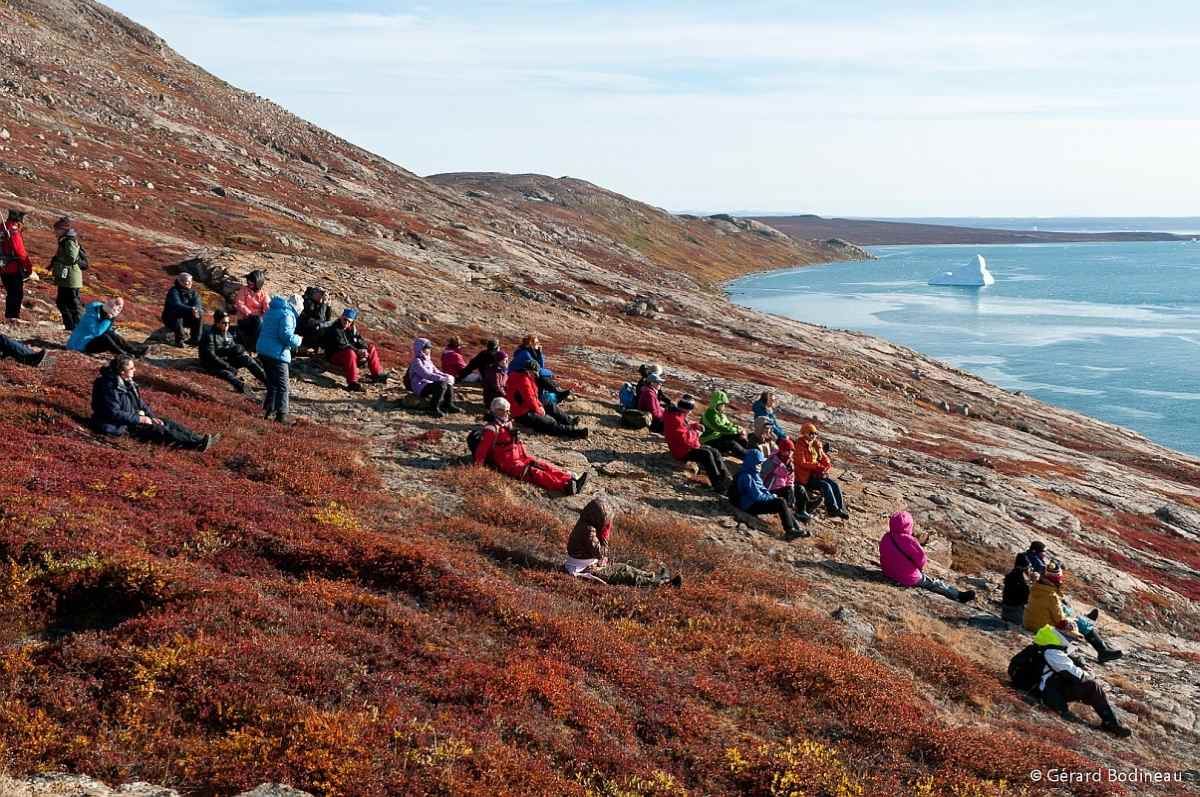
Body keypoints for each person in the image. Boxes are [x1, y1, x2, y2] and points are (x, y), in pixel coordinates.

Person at [91, 355, 219, 451]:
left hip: (132, 418)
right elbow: (113, 413)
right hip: (117, 426)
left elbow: (139, 402)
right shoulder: (108, 386)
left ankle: (199, 439)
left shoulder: (126, 382)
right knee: (159, 430)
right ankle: (196, 445)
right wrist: (140, 419)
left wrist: (152, 417)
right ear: (122, 372)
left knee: (166, 422)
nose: (135, 370)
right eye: (132, 368)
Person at [1031, 625, 1131, 737]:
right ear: (1063, 634)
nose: (1072, 640)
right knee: (1092, 687)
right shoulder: (1052, 652)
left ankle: (1111, 723)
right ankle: (1112, 724)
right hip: (1045, 691)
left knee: (1088, 686)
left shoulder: (1047, 644)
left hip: (1045, 685)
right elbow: (1075, 675)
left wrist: (1075, 660)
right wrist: (1089, 675)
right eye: (1071, 637)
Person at [474, 398, 587, 495]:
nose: (507, 414)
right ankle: (565, 486)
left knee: (543, 466)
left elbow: (516, 442)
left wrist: (524, 455)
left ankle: (569, 478)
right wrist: (478, 469)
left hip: (520, 457)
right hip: (508, 463)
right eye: (505, 411)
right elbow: (482, 450)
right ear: (496, 411)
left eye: (508, 411)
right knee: (536, 474)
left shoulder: (506, 424)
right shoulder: (492, 429)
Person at [565, 496, 680, 587]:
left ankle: (657, 577)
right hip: (585, 570)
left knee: (623, 567)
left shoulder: (586, 525)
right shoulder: (588, 530)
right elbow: (600, 553)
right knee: (626, 574)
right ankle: (662, 583)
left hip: (588, 565)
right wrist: (606, 533)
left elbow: (596, 553)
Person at [1024, 561, 1122, 664]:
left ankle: (1087, 623)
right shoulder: (1051, 595)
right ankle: (1102, 651)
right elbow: (1060, 619)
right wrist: (1072, 620)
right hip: (1042, 626)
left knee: (1069, 613)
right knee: (1078, 623)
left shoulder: (1037, 587)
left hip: (1030, 622)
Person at [879, 511, 975, 603]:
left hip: (888, 572)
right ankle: (958, 595)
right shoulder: (910, 541)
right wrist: (919, 568)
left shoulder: (886, 537)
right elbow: (922, 559)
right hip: (907, 577)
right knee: (935, 583)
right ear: (908, 526)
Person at [662, 395, 730, 492]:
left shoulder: (677, 414)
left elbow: (684, 427)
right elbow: (684, 438)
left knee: (714, 451)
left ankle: (725, 478)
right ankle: (718, 485)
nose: (690, 412)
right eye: (690, 410)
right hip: (681, 451)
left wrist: (695, 425)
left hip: (684, 447)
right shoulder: (675, 419)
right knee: (707, 454)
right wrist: (697, 433)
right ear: (686, 409)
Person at [733, 449, 806, 539]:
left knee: (781, 502)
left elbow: (763, 489)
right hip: (748, 505)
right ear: (752, 462)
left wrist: (771, 496)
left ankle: (796, 528)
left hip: (752, 502)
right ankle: (790, 530)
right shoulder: (746, 476)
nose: (760, 465)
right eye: (758, 463)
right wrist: (771, 497)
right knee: (781, 502)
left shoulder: (754, 473)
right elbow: (757, 496)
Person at [507, 358, 587, 439]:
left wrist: (540, 405)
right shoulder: (522, 379)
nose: (535, 375)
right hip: (520, 413)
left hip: (525, 407)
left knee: (549, 405)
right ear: (529, 371)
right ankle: (574, 432)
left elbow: (533, 396)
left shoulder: (526, 377)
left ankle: (569, 421)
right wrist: (539, 410)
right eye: (534, 373)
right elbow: (529, 399)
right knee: (548, 423)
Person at [256, 293, 302, 423]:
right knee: (283, 385)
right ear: (297, 307)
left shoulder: (272, 310)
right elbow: (285, 336)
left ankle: (269, 410)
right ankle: (282, 414)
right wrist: (298, 340)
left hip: (263, 350)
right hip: (277, 354)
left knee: (272, 383)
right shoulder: (288, 315)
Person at [199, 309, 267, 393]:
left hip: (225, 360)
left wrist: (240, 349)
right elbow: (211, 356)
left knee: (246, 359)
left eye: (228, 323)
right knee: (227, 373)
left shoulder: (228, 334)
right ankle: (242, 387)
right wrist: (228, 366)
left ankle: (268, 382)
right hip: (212, 364)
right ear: (217, 323)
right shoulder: (209, 335)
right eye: (224, 323)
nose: (227, 325)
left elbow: (233, 348)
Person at [321, 309, 389, 392]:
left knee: (371, 348)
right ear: (341, 317)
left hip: (350, 354)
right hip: (335, 355)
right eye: (345, 319)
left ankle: (377, 374)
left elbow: (360, 340)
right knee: (350, 353)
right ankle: (352, 382)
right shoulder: (335, 329)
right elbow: (343, 345)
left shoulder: (352, 330)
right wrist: (358, 351)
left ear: (352, 322)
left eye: (349, 321)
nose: (346, 322)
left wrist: (363, 349)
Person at [795, 422, 850, 519]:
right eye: (811, 433)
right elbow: (801, 463)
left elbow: (825, 458)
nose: (813, 436)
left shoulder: (816, 445)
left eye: (815, 433)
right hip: (806, 477)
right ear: (804, 433)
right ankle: (832, 509)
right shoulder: (800, 445)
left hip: (816, 474)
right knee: (826, 485)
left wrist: (826, 466)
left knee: (834, 484)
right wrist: (817, 466)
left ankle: (841, 509)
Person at [66, 298, 148, 357]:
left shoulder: (102, 311)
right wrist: (108, 319)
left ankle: (134, 351)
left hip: (89, 340)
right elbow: (97, 332)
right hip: (79, 345)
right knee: (106, 338)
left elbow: (106, 330)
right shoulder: (90, 315)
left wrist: (111, 318)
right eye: (110, 314)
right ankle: (123, 354)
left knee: (112, 334)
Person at [761, 438, 813, 523]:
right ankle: (790, 513)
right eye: (787, 450)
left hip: (784, 488)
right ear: (781, 450)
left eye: (791, 450)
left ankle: (801, 511)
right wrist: (762, 490)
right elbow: (762, 475)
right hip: (771, 489)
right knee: (788, 491)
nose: (790, 453)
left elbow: (791, 480)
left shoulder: (790, 463)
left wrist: (791, 488)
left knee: (800, 489)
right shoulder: (772, 461)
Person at [50, 216, 87, 331]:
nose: (55, 232)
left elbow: (71, 259)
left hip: (71, 278)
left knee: (72, 303)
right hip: (67, 278)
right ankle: (70, 326)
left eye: (56, 229)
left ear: (63, 229)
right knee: (63, 302)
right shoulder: (65, 240)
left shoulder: (69, 241)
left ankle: (78, 327)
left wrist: (59, 261)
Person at [508, 335, 571, 402]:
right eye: (536, 343)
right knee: (541, 377)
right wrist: (550, 373)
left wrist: (539, 353)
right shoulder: (525, 354)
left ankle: (555, 392)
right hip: (516, 376)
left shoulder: (532, 352)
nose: (538, 344)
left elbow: (540, 366)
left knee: (540, 377)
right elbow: (538, 369)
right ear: (530, 344)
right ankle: (556, 391)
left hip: (525, 373)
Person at [408, 337, 460, 417]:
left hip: (428, 384)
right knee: (441, 385)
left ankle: (448, 405)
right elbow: (426, 374)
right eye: (427, 348)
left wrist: (447, 376)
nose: (429, 350)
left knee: (447, 382)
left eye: (429, 348)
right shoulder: (417, 361)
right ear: (421, 348)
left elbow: (436, 371)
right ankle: (433, 409)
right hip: (419, 386)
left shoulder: (428, 360)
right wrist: (442, 379)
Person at [1, 209, 34, 320]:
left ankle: (9, 317)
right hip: (13, 269)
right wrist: (29, 268)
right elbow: (20, 252)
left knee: (10, 293)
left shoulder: (2, 228)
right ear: (18, 221)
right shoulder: (13, 231)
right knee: (16, 295)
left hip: (2, 268)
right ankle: (12, 318)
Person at [700, 390, 749, 457]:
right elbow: (721, 428)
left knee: (739, 436)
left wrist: (738, 428)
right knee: (731, 443)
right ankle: (748, 456)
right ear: (717, 404)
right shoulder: (710, 414)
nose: (724, 406)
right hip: (709, 439)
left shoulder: (720, 414)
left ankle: (751, 452)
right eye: (723, 404)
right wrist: (737, 430)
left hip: (718, 436)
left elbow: (728, 424)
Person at [161, 273, 203, 347]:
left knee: (199, 313)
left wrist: (196, 310)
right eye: (183, 281)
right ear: (178, 281)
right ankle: (180, 339)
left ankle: (195, 340)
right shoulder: (173, 291)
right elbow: (176, 304)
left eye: (189, 281)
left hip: (186, 319)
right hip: (171, 319)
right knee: (178, 313)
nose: (186, 283)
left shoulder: (194, 293)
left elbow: (198, 304)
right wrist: (191, 309)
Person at [234, 270, 269, 347]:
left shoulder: (264, 294)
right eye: (248, 281)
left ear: (258, 283)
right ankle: (252, 345)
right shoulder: (244, 290)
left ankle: (255, 344)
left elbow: (267, 308)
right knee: (258, 321)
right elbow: (239, 303)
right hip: (244, 319)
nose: (249, 282)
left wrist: (265, 316)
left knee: (260, 322)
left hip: (258, 321)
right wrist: (249, 313)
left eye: (252, 281)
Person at [297, 285, 333, 350]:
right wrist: (324, 304)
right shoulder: (307, 301)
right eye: (321, 294)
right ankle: (307, 346)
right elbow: (320, 319)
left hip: (311, 329)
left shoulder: (318, 303)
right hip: (304, 329)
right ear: (314, 293)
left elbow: (328, 320)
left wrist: (328, 306)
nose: (322, 296)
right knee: (318, 327)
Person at [1001, 554, 1032, 625]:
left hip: (1005, 612)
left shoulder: (1010, 575)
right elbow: (1028, 598)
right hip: (1016, 614)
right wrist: (1032, 582)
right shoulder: (1022, 580)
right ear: (1025, 567)